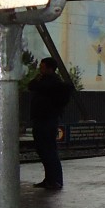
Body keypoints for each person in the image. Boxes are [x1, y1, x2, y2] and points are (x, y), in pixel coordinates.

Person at [28, 58, 70, 189]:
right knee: (43, 150)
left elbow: (34, 86)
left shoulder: (53, 82)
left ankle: (55, 180)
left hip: (47, 120)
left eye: (42, 67)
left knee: (49, 151)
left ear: (49, 68)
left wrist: (38, 78)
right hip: (42, 119)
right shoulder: (46, 80)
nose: (40, 69)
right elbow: (31, 85)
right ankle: (49, 179)